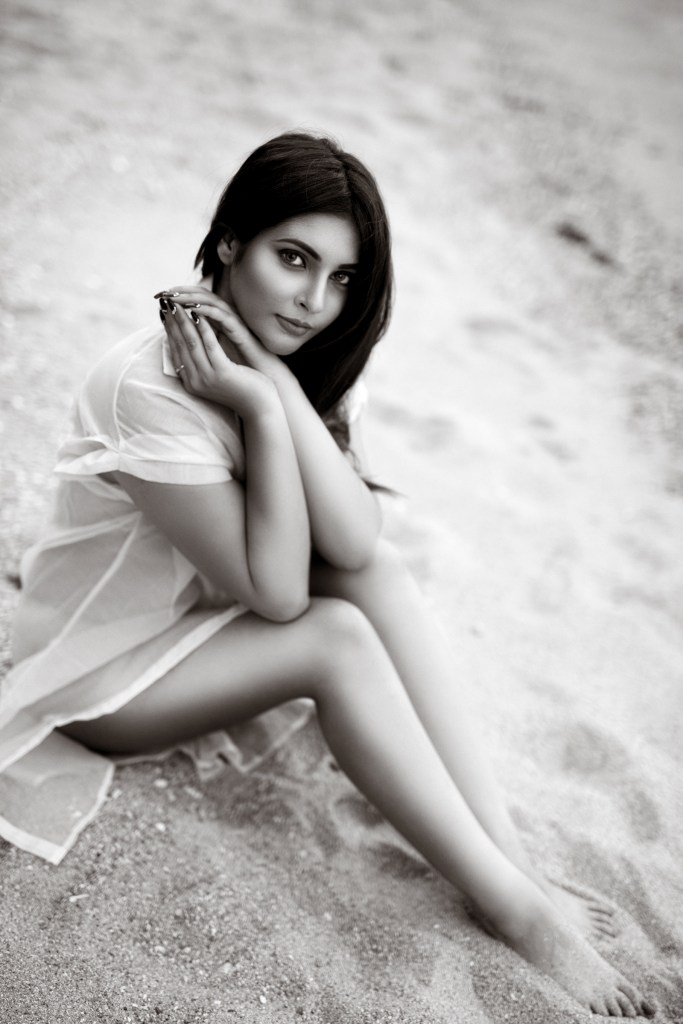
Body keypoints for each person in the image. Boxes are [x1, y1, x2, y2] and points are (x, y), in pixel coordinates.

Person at [0, 131, 654, 1017]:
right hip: (96, 678)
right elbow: (277, 595)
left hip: (195, 625)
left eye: (342, 278)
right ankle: (515, 911)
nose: (314, 301)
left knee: (373, 577)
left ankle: (510, 856)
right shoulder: (142, 389)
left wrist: (272, 376)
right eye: (293, 259)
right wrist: (262, 410)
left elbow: (352, 542)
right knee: (334, 637)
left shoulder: (298, 352)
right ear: (230, 240)